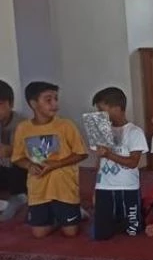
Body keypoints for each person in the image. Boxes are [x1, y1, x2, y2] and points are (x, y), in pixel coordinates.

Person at [11, 81, 88, 238]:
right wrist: (29, 165)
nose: (54, 104)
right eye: (48, 100)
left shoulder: (66, 125)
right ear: (33, 104)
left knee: (70, 233)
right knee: (39, 234)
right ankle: (57, 219)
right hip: (39, 189)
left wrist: (56, 164)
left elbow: (81, 153)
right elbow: (18, 158)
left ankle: (75, 214)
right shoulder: (23, 128)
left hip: (64, 187)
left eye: (56, 99)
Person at [91, 87, 148, 239]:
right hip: (104, 187)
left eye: (102, 110)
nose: (99, 114)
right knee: (101, 235)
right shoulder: (101, 131)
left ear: (116, 108)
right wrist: (95, 188)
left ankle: (132, 217)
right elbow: (99, 161)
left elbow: (133, 162)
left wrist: (109, 154)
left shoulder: (134, 132)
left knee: (133, 231)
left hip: (127, 186)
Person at [0, 79, 27, 222]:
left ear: (10, 104)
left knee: (20, 163)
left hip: (20, 174)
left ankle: (18, 197)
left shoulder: (23, 124)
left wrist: (11, 151)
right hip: (3, 171)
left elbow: (38, 155)